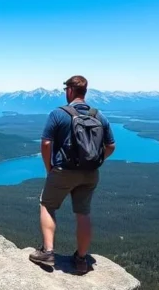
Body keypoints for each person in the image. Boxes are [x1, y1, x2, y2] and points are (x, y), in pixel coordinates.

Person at [30, 75, 116, 273]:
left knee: (47, 205)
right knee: (83, 213)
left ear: (69, 90)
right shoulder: (99, 116)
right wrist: (96, 160)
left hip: (63, 170)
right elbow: (111, 145)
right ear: (84, 92)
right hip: (90, 173)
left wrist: (49, 167)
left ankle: (48, 252)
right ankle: (81, 259)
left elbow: (45, 143)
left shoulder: (58, 114)